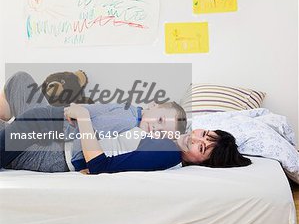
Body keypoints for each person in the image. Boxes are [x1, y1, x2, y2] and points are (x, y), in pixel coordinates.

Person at [0, 71, 186, 171]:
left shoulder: (134, 129)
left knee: (19, 119)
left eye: (160, 132)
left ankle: (9, 127)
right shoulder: (129, 113)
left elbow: (90, 126)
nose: (155, 127)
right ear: (152, 105)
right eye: (160, 119)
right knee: (20, 80)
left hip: (54, 149)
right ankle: (9, 124)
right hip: (55, 129)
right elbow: (92, 113)